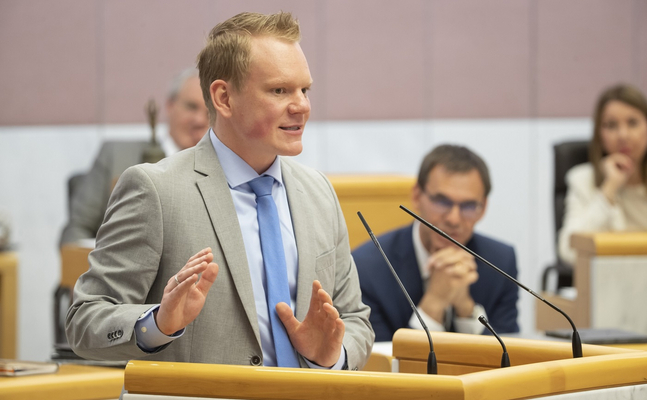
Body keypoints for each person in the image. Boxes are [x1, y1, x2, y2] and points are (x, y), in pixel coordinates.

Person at [66, 11, 373, 371]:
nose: (302, 105)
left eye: (304, 89)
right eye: (279, 90)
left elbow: (355, 320)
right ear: (224, 97)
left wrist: (331, 356)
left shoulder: (319, 192)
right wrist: (158, 323)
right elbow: (84, 322)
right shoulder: (156, 190)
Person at [353, 145, 519, 342]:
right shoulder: (367, 268)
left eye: (468, 206)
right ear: (417, 196)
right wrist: (434, 302)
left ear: (483, 209)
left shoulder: (500, 263)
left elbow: (508, 360)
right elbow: (381, 365)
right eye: (442, 201)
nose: (453, 219)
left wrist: (466, 310)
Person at [59, 67, 209, 246]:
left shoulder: (220, 171)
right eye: (191, 107)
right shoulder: (116, 156)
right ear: (170, 106)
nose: (199, 120)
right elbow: (75, 232)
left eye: (209, 113)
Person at [558, 84, 647, 265]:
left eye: (632, 123)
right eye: (611, 125)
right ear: (599, 134)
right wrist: (608, 190)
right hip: (606, 287)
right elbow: (569, 252)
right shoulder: (583, 179)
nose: (623, 135)